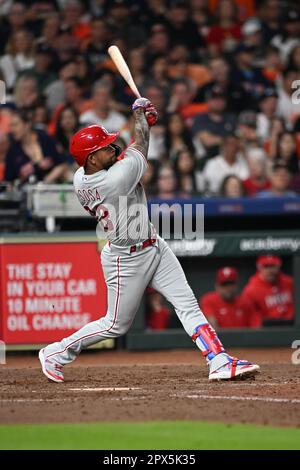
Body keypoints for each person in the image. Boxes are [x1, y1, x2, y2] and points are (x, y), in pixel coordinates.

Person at [38, 95, 259, 382]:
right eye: (105, 148)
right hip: (124, 258)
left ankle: (217, 359)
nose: (113, 148)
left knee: (187, 304)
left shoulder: (82, 174)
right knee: (115, 324)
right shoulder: (113, 179)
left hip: (153, 244)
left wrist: (144, 122)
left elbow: (131, 147)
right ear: (92, 159)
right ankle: (55, 352)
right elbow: (139, 146)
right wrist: (141, 118)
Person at [5, 110, 68, 184]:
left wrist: (44, 184)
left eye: (15, 125)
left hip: (53, 187)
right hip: (27, 191)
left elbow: (62, 164)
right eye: (11, 126)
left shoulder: (45, 139)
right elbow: (9, 180)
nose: (12, 130)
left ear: (27, 125)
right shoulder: (13, 151)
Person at [242, 255, 294, 324]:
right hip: (268, 330)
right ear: (259, 267)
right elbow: (251, 318)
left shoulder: (289, 283)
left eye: (273, 266)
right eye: (266, 266)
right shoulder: (251, 290)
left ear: (279, 266)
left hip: (292, 326)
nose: (270, 270)